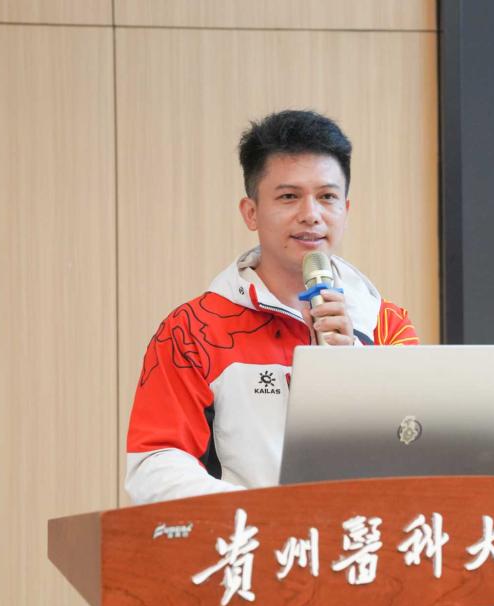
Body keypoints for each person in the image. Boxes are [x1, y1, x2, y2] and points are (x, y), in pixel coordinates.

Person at [125, 110, 419, 504]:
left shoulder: (387, 325)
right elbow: (155, 467)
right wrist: (265, 515)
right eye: (289, 197)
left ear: (346, 211)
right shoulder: (194, 330)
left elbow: (413, 455)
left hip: (359, 538)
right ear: (251, 213)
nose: (311, 215)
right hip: (245, 536)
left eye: (327, 197)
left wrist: (353, 365)